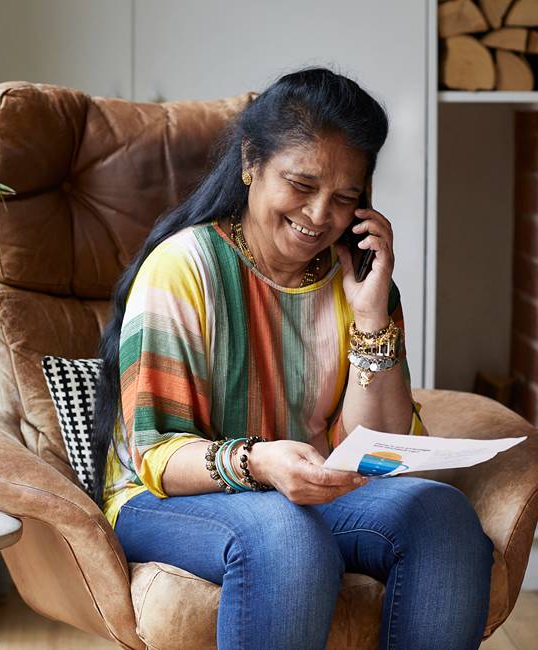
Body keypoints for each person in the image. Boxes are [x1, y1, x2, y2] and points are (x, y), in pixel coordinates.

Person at [89, 67, 494, 649]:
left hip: (307, 493)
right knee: (285, 535)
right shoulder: (183, 268)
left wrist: (373, 317)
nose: (319, 215)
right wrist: (260, 463)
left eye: (346, 197)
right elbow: (157, 455)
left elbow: (371, 448)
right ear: (252, 161)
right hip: (168, 499)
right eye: (301, 185)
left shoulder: (356, 280)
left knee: (442, 516)